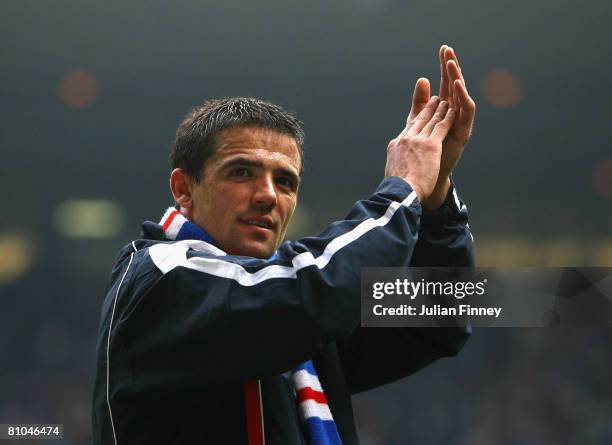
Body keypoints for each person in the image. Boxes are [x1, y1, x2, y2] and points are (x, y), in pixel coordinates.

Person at [92, 45, 476, 444]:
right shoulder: (159, 277)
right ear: (184, 189)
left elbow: (441, 314)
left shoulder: (288, 315)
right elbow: (310, 291)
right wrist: (405, 188)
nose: (268, 195)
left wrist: (435, 199)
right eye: (241, 172)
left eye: (285, 182)